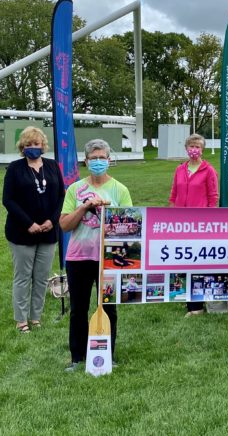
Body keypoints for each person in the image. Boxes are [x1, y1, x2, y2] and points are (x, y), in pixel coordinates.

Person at [60, 139, 132, 372]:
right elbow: (64, 225)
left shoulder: (120, 189)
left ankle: (108, 355)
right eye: (94, 158)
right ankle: (77, 357)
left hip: (109, 258)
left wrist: (109, 211)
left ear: (109, 160)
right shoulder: (74, 189)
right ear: (86, 161)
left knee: (109, 308)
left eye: (102, 158)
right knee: (78, 309)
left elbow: (131, 228)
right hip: (79, 257)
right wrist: (83, 207)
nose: (98, 162)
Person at [2, 126, 65, 333]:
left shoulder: (53, 166)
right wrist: (29, 223)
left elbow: (61, 197)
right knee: (23, 276)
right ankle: (21, 320)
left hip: (49, 231)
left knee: (41, 276)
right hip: (21, 232)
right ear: (22, 147)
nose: (32, 148)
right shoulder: (14, 168)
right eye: (28, 145)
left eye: (36, 144)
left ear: (42, 145)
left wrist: (52, 220)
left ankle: (36, 317)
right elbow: (8, 200)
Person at [169, 133, 218, 316]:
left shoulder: (209, 171)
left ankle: (197, 306)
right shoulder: (179, 169)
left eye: (197, 146)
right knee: (183, 261)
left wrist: (210, 221)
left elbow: (213, 197)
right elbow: (173, 195)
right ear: (186, 148)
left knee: (198, 263)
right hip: (180, 223)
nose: (194, 149)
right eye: (191, 146)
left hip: (200, 223)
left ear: (202, 149)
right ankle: (188, 298)